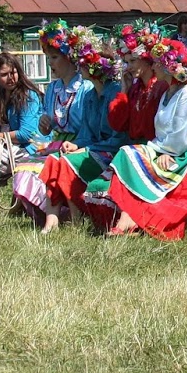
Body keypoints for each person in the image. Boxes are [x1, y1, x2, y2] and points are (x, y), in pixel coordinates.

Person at [103, 44, 187, 239]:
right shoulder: (168, 93)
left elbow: (182, 135)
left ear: (169, 66)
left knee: (131, 154)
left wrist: (165, 152)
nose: (153, 67)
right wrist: (158, 150)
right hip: (166, 149)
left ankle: (135, 220)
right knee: (126, 154)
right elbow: (162, 132)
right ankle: (129, 218)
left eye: (156, 63)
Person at [37, 27, 127, 232]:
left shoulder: (113, 94)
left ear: (96, 68)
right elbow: (86, 133)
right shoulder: (89, 96)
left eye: (84, 64)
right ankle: (52, 221)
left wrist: (84, 150)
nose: (80, 67)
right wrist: (75, 143)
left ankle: (77, 218)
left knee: (67, 163)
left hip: (111, 151)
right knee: (54, 160)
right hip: (94, 148)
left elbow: (117, 137)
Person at [11, 22, 97, 228]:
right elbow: (45, 129)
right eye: (48, 57)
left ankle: (66, 214)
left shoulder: (85, 88)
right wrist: (44, 124)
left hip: (78, 144)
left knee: (51, 166)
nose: (50, 62)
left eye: (55, 57)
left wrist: (75, 143)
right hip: (56, 143)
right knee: (25, 166)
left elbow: (88, 126)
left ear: (70, 58)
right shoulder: (52, 88)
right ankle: (45, 214)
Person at [0, 53, 44, 184]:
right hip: (11, 147)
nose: (10, 78)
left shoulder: (28, 96)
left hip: (31, 149)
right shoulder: (2, 96)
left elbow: (27, 134)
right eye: (4, 75)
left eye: (13, 73)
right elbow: (4, 129)